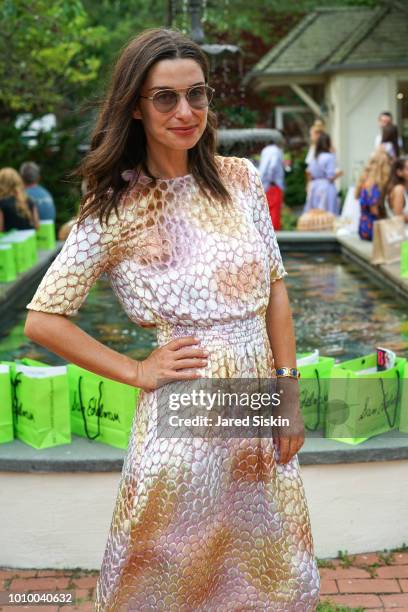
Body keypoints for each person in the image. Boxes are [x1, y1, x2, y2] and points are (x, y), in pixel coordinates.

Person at [24, 28, 320, 610]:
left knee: (268, 576)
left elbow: (277, 293)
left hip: (257, 406)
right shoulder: (117, 206)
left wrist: (288, 395)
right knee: (169, 576)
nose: (186, 112)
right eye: (165, 97)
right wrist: (137, 370)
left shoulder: (240, 179)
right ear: (136, 105)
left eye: (197, 94)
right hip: (185, 414)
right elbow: (43, 319)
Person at [304, 132, 341, 215]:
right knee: (328, 216)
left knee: (315, 215)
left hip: (315, 187)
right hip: (326, 187)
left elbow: (309, 172)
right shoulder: (329, 157)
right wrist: (339, 174)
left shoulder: (315, 157)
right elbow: (330, 176)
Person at [356, 150, 390, 241]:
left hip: (364, 227)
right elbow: (374, 210)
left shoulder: (365, 182)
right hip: (372, 230)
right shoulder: (374, 187)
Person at [258, 131, 285, 230]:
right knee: (275, 212)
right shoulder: (277, 151)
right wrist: (270, 180)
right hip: (273, 185)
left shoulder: (265, 150)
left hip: (264, 185)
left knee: (266, 211)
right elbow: (272, 166)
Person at [0, 167, 39, 232]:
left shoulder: (1, 203)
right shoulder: (29, 200)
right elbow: (37, 226)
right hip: (30, 241)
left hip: (9, 241)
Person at [385, 156, 408, 222]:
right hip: (401, 231)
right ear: (399, 172)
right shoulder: (399, 189)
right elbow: (398, 217)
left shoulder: (403, 189)